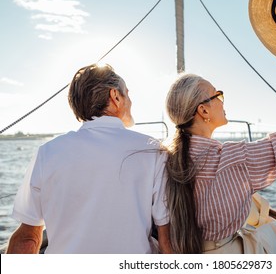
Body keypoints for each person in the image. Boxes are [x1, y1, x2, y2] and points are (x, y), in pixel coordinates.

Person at [164, 11, 276, 254]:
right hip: (227, 253)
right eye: (217, 95)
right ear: (203, 111)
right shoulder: (233, 160)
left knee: (251, 206)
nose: (222, 100)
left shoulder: (163, 158)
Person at [6, 64, 172, 254]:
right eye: (127, 94)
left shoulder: (47, 152)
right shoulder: (153, 150)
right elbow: (166, 238)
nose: (130, 101)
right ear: (115, 97)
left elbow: (28, 238)